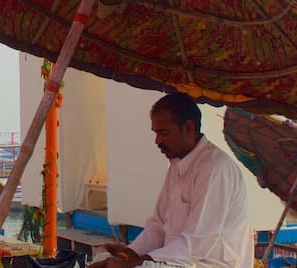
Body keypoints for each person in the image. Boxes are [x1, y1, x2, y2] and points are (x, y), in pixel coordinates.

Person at [92, 93, 250, 268]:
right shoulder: (177, 163)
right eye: (156, 133)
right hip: (177, 262)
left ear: (189, 128)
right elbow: (158, 227)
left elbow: (195, 246)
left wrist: (135, 261)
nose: (157, 141)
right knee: (101, 260)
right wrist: (130, 254)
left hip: (206, 264)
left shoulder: (214, 168)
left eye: (163, 133)